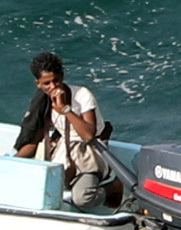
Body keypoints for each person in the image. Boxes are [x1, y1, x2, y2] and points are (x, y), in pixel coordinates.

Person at [13, 51, 113, 205]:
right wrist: (11, 162)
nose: (53, 87)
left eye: (56, 80)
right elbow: (34, 140)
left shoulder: (81, 95)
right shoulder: (43, 102)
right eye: (46, 84)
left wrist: (66, 110)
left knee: (82, 199)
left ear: (62, 76)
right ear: (38, 84)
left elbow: (89, 135)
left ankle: (111, 189)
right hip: (64, 153)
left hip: (89, 153)